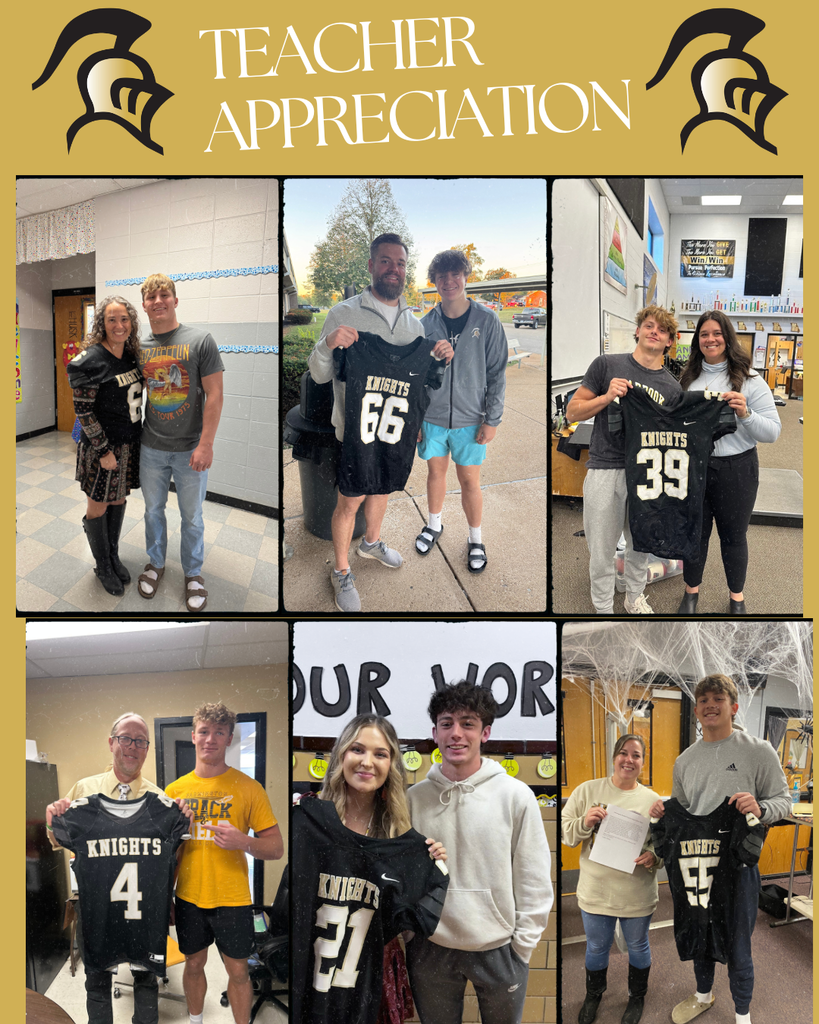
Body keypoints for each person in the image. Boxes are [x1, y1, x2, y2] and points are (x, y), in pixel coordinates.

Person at [308, 234, 453, 612]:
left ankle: (371, 543)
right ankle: (341, 570)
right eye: (386, 261)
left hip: (394, 431)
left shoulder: (415, 327)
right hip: (355, 432)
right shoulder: (342, 314)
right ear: (372, 265)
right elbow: (319, 375)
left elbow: (421, 385)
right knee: (350, 500)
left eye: (400, 263)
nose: (394, 269)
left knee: (382, 490)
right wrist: (328, 343)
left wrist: (440, 358)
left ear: (406, 270)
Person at [405, 681, 553, 1024]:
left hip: (501, 949)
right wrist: (412, 935)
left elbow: (533, 877)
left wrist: (522, 948)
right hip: (430, 947)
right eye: (447, 724)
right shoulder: (413, 799)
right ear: (435, 733)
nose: (456, 733)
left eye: (467, 723)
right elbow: (404, 876)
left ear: (485, 733)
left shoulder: (516, 795)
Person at [649, 674, 790, 1024]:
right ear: (697, 710)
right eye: (703, 700)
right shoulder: (684, 761)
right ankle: (703, 996)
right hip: (697, 864)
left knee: (738, 945)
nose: (710, 705)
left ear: (734, 707)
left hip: (739, 866)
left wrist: (761, 808)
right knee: (700, 932)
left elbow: (784, 801)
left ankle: (743, 1015)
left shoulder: (758, 751)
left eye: (718, 699)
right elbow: (683, 812)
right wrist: (663, 812)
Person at [292, 714, 449, 1024]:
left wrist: (428, 864)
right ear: (341, 755)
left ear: (391, 765)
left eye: (380, 754)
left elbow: (409, 925)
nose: (367, 762)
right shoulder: (308, 820)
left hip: (369, 974)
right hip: (313, 967)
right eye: (357, 749)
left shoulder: (398, 836)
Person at [45, 713, 185, 1024]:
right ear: (111, 743)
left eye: (140, 741)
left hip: (144, 913)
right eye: (125, 738)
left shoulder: (160, 801)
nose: (132, 746)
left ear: (147, 749)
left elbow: (174, 855)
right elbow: (56, 839)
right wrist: (51, 820)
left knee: (146, 981)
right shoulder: (83, 790)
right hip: (98, 908)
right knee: (96, 982)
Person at [165, 702, 283, 1024]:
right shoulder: (174, 791)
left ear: (229, 739)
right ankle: (196, 1021)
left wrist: (243, 841)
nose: (210, 739)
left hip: (233, 899)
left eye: (219, 732)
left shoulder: (249, 788)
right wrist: (166, 896)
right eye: (204, 731)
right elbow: (170, 853)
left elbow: (276, 848)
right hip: (189, 897)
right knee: (193, 964)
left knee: (239, 972)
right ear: (193, 736)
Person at [566, 305, 681, 614]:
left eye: (662, 329)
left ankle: (633, 598)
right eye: (649, 325)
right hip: (607, 468)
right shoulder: (606, 365)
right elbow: (572, 412)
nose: (654, 332)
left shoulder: (672, 388)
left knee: (640, 545)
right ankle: (603, 607)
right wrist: (606, 397)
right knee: (602, 549)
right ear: (638, 330)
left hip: (647, 474)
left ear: (670, 341)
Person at [676, 311, 781, 615]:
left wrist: (746, 414)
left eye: (717, 333)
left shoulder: (751, 380)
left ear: (727, 338)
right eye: (704, 334)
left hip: (737, 470)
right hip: (694, 468)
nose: (710, 339)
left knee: (734, 536)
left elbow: (773, 432)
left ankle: (737, 597)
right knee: (695, 534)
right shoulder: (687, 379)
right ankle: (691, 592)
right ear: (697, 340)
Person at [414, 250, 507, 574]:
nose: (449, 281)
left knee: (469, 481)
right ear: (434, 281)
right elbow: (415, 377)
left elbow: (497, 373)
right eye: (442, 276)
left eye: (455, 274)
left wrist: (492, 420)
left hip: (470, 419)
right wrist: (416, 419)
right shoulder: (425, 324)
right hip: (433, 419)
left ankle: (475, 539)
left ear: (466, 277)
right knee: (435, 474)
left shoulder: (487, 320)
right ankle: (434, 524)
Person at [137, 274, 225, 612]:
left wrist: (206, 444)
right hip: (151, 447)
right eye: (151, 297)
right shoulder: (139, 348)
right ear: (144, 305)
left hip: (190, 449)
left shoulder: (200, 340)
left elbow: (215, 395)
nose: (158, 301)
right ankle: (156, 563)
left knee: (192, 517)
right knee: (152, 511)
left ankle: (193, 573)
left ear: (175, 300)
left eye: (164, 295)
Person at [562, 735, 662, 1024]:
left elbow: (663, 843)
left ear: (643, 761)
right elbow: (566, 835)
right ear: (614, 756)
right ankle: (593, 995)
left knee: (638, 945)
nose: (629, 760)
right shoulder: (587, 791)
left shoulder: (652, 801)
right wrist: (585, 822)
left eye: (636, 755)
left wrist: (654, 857)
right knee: (596, 947)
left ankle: (636, 997)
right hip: (596, 890)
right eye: (623, 753)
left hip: (636, 892)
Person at [67, 295, 144, 597]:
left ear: (131, 323)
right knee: (98, 503)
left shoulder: (132, 355)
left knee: (119, 498)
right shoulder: (90, 360)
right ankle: (102, 565)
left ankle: (113, 555)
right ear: (102, 323)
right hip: (103, 449)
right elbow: (84, 412)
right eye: (112, 319)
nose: (119, 325)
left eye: (124, 319)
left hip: (128, 443)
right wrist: (103, 451)